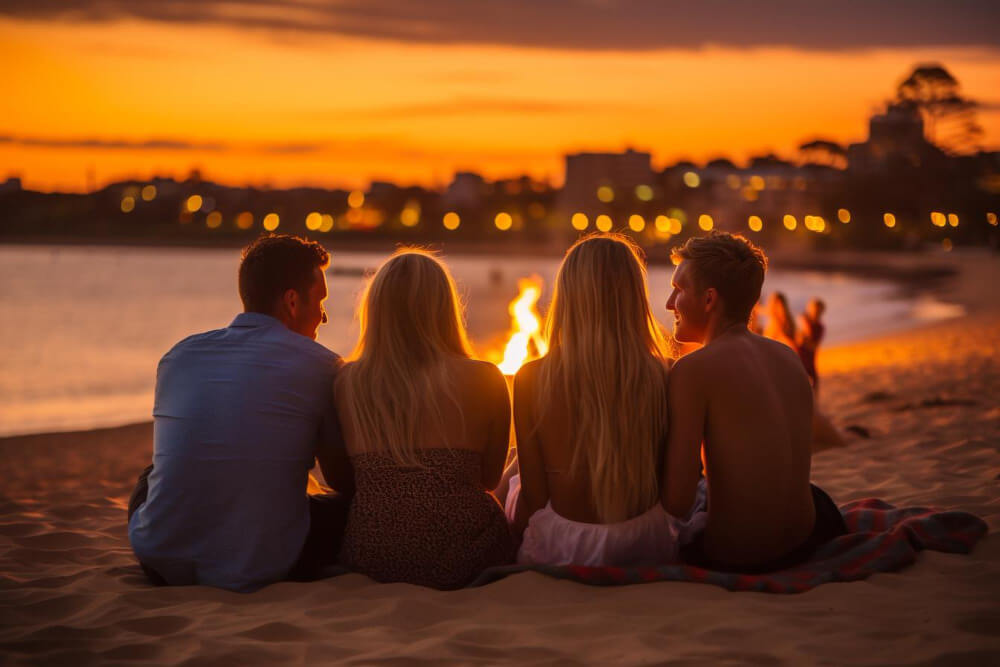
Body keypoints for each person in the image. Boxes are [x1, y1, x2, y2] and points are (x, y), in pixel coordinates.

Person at [128, 234, 351, 592]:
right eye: (320, 301)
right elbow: (341, 476)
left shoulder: (178, 356)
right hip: (263, 566)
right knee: (348, 510)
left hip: (160, 561)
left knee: (151, 474)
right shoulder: (323, 367)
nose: (323, 316)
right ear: (292, 302)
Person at [504, 233, 704, 567]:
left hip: (562, 547)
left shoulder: (532, 377)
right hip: (645, 541)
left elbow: (535, 501)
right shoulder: (665, 373)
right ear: (634, 297)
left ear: (567, 297)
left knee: (512, 477)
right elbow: (675, 496)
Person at [332, 249, 514, 590]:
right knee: (516, 470)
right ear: (445, 308)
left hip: (374, 555)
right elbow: (489, 479)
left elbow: (344, 479)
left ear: (377, 310)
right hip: (466, 557)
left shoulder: (347, 381)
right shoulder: (487, 377)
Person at [664, 231, 846, 573]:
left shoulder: (693, 371)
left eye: (679, 290)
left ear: (709, 300)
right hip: (806, 538)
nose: (669, 303)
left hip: (740, 555)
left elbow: (677, 502)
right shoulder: (787, 356)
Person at [797, 298, 826, 394]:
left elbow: (814, 346)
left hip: (810, 358)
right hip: (799, 356)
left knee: (814, 382)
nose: (815, 312)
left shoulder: (820, 327)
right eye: (813, 309)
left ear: (822, 312)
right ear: (809, 309)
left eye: (818, 310)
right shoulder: (804, 320)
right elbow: (798, 339)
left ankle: (814, 404)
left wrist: (806, 340)